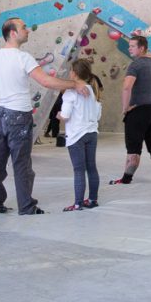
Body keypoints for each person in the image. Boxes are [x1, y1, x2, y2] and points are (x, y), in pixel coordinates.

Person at [0, 17, 88, 215]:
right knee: (21, 163)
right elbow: (46, 82)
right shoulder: (23, 58)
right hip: (18, 117)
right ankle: (26, 206)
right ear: (13, 33)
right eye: (23, 27)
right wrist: (74, 84)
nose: (28, 30)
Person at [111, 35, 151, 185]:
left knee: (133, 146)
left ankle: (126, 179)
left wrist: (125, 108)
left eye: (132, 46)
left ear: (141, 48)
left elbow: (126, 87)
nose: (129, 48)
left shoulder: (135, 65)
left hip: (138, 110)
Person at [58, 59, 102, 212]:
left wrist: (59, 115)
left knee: (78, 170)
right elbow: (98, 114)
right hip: (92, 133)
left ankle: (77, 204)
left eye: (71, 70)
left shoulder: (71, 92)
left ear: (74, 73)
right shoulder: (92, 90)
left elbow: (65, 115)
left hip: (77, 135)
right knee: (91, 168)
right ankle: (92, 199)